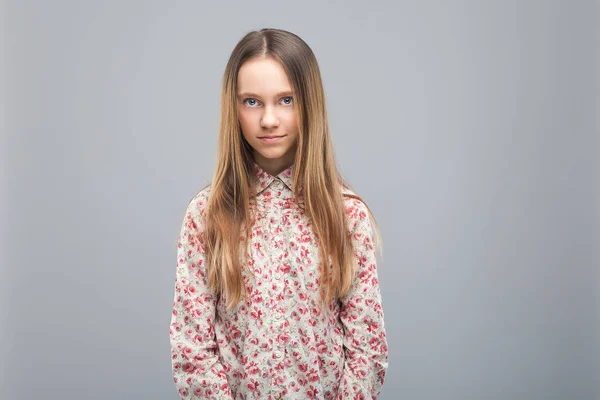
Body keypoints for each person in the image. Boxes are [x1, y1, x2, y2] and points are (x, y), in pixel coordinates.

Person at [169, 28, 388, 400]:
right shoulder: (207, 215)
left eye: (285, 100)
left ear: (309, 104)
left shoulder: (346, 215)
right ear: (233, 107)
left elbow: (367, 347)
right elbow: (192, 349)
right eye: (252, 102)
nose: (269, 119)